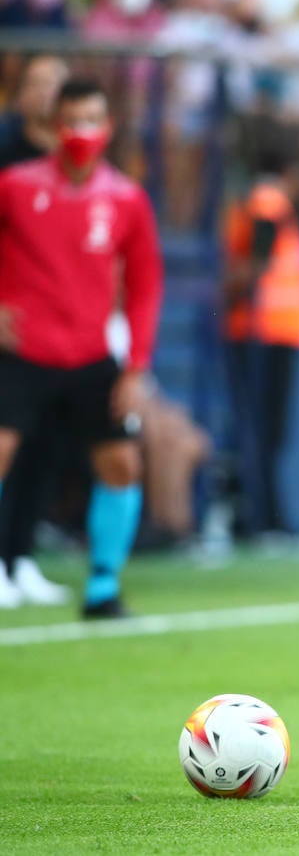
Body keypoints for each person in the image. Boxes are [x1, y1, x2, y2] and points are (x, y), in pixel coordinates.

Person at [0, 76, 164, 619]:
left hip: (92, 353)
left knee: (120, 462)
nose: (82, 132)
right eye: (72, 121)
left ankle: (102, 587)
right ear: (53, 126)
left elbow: (144, 285)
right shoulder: (16, 186)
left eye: (93, 120)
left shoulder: (126, 198)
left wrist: (135, 367)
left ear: (109, 127)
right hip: (22, 350)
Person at [221, 124, 299, 538]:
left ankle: (265, 514)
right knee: (265, 429)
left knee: (266, 429)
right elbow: (254, 264)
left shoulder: (264, 201)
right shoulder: (270, 201)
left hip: (269, 330)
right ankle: (261, 516)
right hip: (264, 330)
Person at [0, 53, 72, 609]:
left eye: (58, 85)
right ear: (19, 93)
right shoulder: (7, 156)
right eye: (39, 84)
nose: (48, 94)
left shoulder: (80, 162)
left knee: (45, 447)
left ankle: (20, 558)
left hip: (64, 327)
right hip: (13, 326)